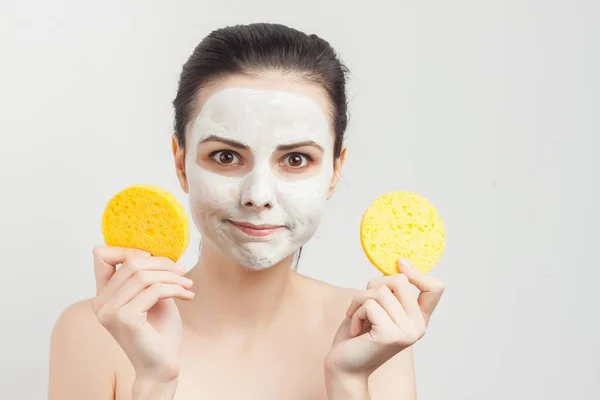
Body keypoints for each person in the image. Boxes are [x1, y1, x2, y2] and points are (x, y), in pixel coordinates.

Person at [48, 22, 445, 400]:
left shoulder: (376, 333)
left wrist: (349, 381)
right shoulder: (97, 332)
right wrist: (154, 381)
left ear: (334, 171)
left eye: (295, 160)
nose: (258, 195)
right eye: (225, 156)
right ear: (180, 162)